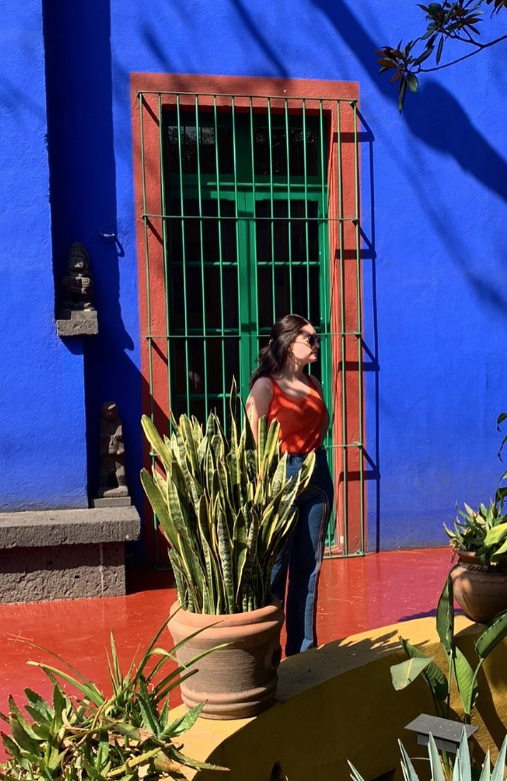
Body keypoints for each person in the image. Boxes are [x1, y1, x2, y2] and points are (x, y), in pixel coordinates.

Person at [246, 314, 334, 655]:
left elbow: (320, 427)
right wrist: (269, 482)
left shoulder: (314, 384)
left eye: (316, 338)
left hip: (317, 473)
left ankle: (303, 651)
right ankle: (265, 653)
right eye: (309, 339)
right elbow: (256, 444)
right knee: (275, 568)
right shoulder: (266, 387)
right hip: (282, 475)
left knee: (309, 568)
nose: (316, 344)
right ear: (288, 345)